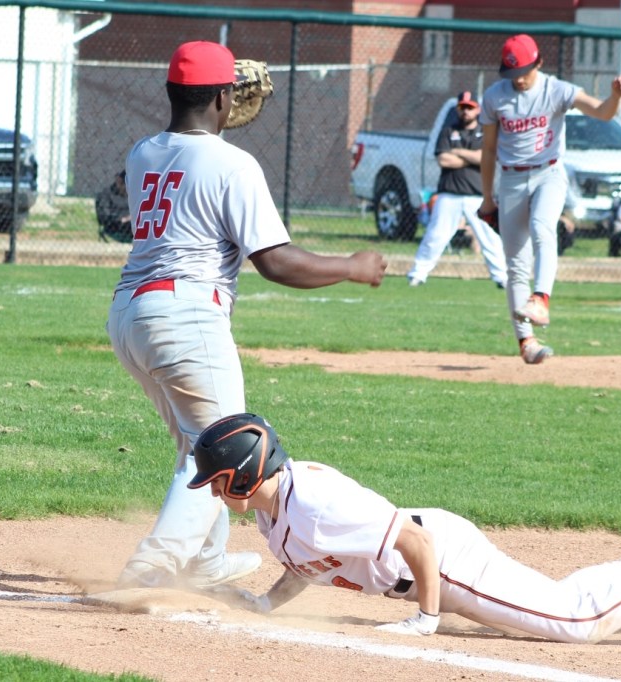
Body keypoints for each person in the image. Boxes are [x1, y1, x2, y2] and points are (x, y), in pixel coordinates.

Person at [106, 41, 386, 591]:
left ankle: (205, 562)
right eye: (231, 91)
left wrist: (216, 107)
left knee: (201, 445)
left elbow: (191, 160)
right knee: (230, 444)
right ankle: (151, 567)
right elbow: (276, 262)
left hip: (130, 315)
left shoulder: (142, 152)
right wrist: (352, 266)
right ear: (220, 97)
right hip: (185, 317)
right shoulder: (234, 163)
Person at [188, 413, 621, 643]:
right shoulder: (277, 511)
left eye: (216, 480)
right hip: (437, 558)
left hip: (443, 562)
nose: (214, 492)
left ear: (243, 474)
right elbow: (312, 564)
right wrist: (268, 604)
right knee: (564, 603)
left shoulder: (314, 503)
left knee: (575, 621)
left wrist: (426, 618)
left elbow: (414, 542)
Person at [478, 34, 621, 365]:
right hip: (512, 179)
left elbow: (602, 112)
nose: (518, 79)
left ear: (539, 63)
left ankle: (541, 298)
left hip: (549, 173)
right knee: (516, 264)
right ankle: (526, 342)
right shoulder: (494, 97)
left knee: (542, 227)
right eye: (511, 73)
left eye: (524, 71)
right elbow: (488, 150)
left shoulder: (557, 90)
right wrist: (487, 198)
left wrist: (615, 97)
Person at [407, 91, 507, 289]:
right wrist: (472, 157)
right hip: (449, 194)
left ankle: (501, 277)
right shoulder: (447, 131)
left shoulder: (485, 132)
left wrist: (459, 152)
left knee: (490, 238)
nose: (466, 111)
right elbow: (443, 159)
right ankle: (418, 274)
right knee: (435, 236)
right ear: (457, 109)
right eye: (463, 107)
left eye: (470, 107)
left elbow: (484, 158)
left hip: (477, 195)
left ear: (477, 109)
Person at [95, 170, 131, 243]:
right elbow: (104, 217)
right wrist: (123, 219)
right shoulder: (106, 195)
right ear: (119, 182)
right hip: (115, 229)